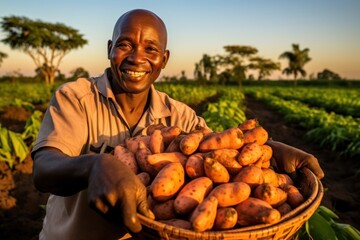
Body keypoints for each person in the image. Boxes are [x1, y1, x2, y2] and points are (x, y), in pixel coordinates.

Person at [31, 9, 324, 240]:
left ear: (164, 59)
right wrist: (93, 166)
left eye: (150, 49)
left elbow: (217, 148)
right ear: (110, 49)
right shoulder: (77, 98)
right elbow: (44, 170)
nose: (136, 58)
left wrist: (268, 146)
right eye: (125, 45)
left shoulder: (180, 117)